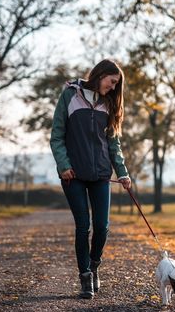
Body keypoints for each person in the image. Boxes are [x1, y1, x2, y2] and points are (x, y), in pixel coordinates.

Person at [50, 59, 131, 299]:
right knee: (83, 226)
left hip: (100, 175)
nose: (113, 88)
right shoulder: (70, 96)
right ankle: (85, 277)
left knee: (103, 227)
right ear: (101, 74)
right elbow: (57, 135)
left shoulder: (108, 104)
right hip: (73, 175)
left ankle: (94, 265)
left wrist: (122, 172)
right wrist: (64, 165)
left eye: (117, 84)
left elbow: (113, 143)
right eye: (112, 81)